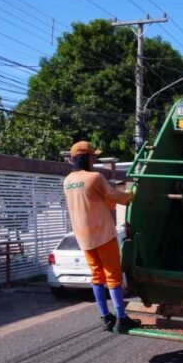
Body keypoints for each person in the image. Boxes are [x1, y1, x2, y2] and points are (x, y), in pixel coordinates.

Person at [63, 141, 139, 333]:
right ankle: (121, 319)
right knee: (113, 277)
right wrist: (132, 194)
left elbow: (93, 200)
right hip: (103, 235)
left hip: (84, 238)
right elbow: (114, 196)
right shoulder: (95, 177)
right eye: (93, 156)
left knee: (97, 276)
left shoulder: (68, 181)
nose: (95, 159)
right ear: (85, 158)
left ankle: (105, 317)